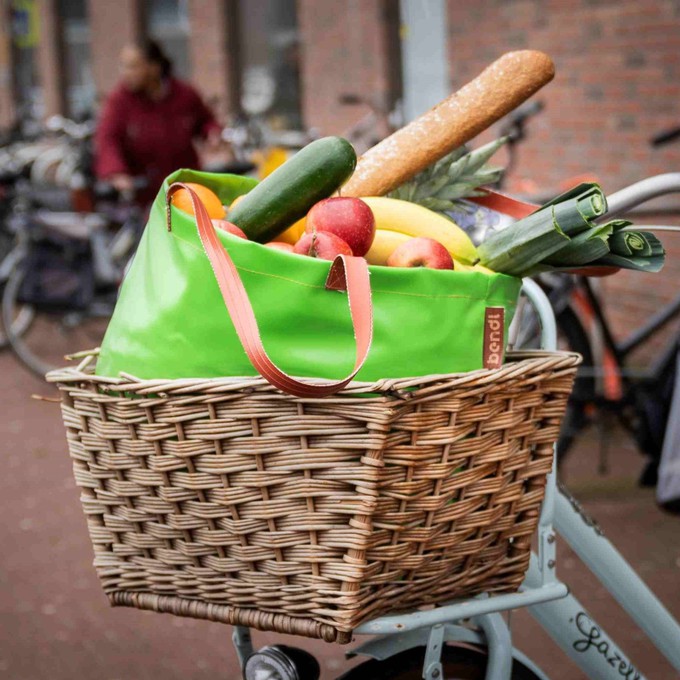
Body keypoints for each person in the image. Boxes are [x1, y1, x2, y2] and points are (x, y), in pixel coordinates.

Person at [95, 39, 222, 201]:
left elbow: (205, 121)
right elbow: (107, 138)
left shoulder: (184, 94)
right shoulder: (119, 100)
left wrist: (213, 135)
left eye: (133, 66)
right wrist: (117, 173)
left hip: (184, 188)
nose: (126, 73)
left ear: (154, 67)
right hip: (143, 194)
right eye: (124, 66)